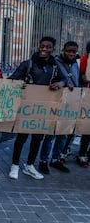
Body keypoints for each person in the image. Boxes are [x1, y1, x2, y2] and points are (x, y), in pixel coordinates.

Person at [7, 36, 66, 180]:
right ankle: (14, 166)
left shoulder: (55, 66)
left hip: (43, 109)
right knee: (21, 138)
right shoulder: (28, 64)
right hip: (27, 107)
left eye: (48, 47)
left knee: (38, 138)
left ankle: (30, 166)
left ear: (53, 49)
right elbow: (12, 79)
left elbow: (65, 79)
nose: (45, 49)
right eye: (43, 46)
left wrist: (59, 84)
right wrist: (19, 84)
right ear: (38, 46)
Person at [39, 41, 80, 173]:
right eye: (69, 51)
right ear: (63, 50)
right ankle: (43, 161)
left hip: (70, 103)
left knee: (63, 133)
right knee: (50, 133)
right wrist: (63, 83)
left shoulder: (76, 64)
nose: (71, 54)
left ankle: (56, 159)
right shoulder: (55, 62)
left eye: (74, 52)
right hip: (56, 101)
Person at [77, 41, 90, 167]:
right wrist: (83, 78)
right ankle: (81, 155)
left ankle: (85, 154)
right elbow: (78, 76)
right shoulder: (84, 60)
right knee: (85, 128)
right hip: (85, 98)